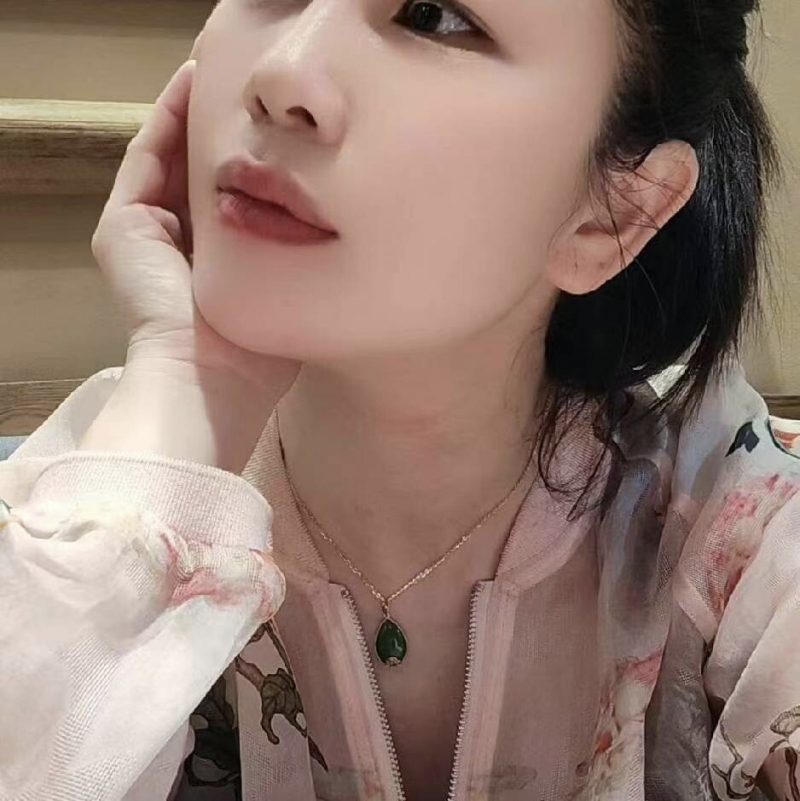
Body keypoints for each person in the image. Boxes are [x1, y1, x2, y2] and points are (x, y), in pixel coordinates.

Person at [1, 0, 799, 798]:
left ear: (614, 213)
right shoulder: (78, 516)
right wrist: (184, 393)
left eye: (432, 15)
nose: (282, 74)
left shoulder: (735, 521)